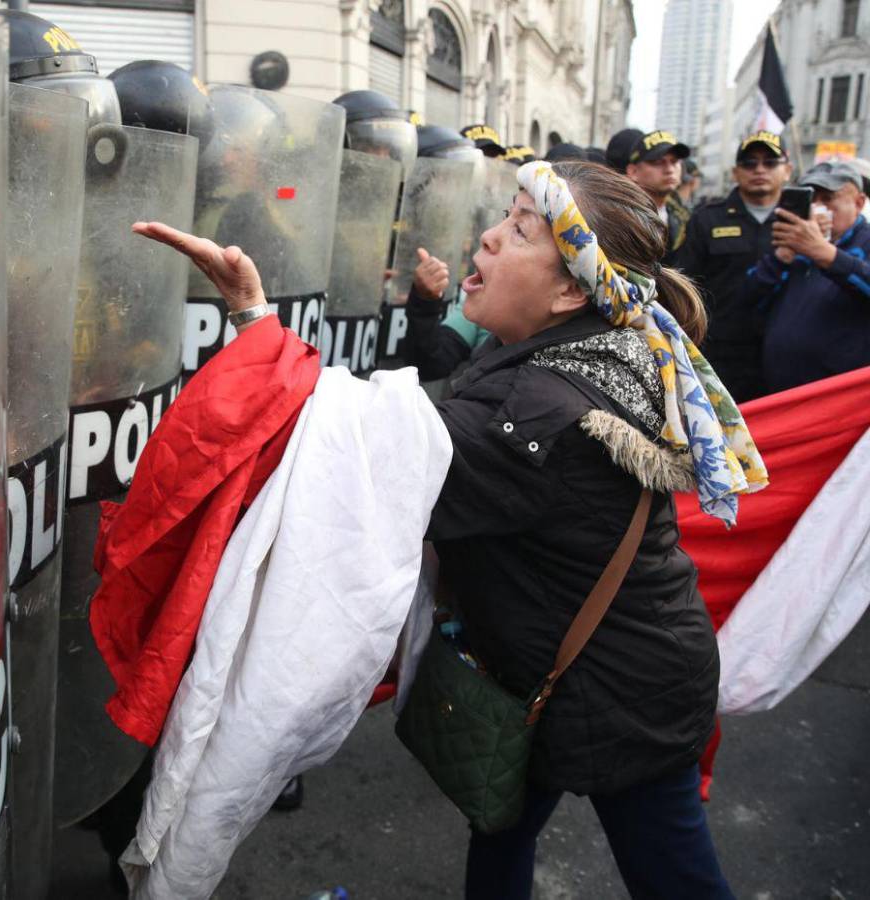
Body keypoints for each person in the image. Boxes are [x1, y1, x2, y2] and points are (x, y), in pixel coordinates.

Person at [134, 155, 766, 899]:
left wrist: (252, 316)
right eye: (504, 216)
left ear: (571, 288)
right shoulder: (598, 348)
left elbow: (362, 461)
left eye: (521, 230)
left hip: (625, 701)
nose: (491, 238)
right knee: (498, 823)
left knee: (675, 880)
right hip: (551, 678)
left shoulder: (538, 411)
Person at [677, 131, 792, 402]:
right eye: (750, 163)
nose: (759, 170)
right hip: (722, 356)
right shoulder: (707, 220)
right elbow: (684, 285)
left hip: (782, 357)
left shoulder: (803, 222)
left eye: (770, 162)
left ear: (787, 170)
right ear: (736, 172)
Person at [749, 160, 870, 393]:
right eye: (811, 199)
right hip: (780, 391)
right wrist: (780, 258)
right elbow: (747, 301)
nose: (817, 208)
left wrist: (825, 254)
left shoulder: (864, 242)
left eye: (828, 199)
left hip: (838, 397)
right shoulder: (793, 244)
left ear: (858, 203)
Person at [625, 130, 690, 264]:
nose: (669, 169)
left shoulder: (683, 217)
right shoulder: (620, 215)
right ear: (633, 171)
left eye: (674, 161)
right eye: (658, 162)